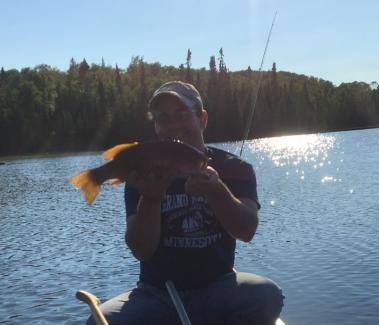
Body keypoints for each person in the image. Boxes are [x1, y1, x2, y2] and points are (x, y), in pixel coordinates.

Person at [86, 81, 284, 325]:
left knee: (267, 296)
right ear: (156, 127)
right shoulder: (143, 174)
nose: (174, 125)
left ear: (202, 119)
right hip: (157, 293)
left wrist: (217, 191)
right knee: (98, 322)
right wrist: (151, 198)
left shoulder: (235, 168)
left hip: (218, 287)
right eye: (163, 118)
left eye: (182, 115)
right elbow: (141, 250)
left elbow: (246, 231)